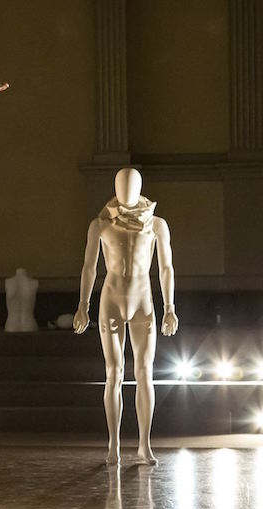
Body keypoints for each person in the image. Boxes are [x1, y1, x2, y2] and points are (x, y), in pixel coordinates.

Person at [73, 168, 179, 465]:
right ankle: (114, 445)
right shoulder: (101, 225)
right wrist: (84, 304)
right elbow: (89, 267)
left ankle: (144, 444)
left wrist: (170, 307)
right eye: (122, 185)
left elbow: (166, 268)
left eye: (132, 185)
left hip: (143, 300)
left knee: (146, 373)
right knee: (114, 373)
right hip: (112, 300)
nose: (127, 190)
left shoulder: (157, 225)